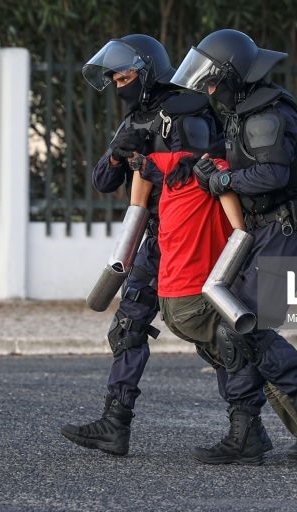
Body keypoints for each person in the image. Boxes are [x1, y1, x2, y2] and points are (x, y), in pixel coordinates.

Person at [155, 29, 297, 463]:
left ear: (232, 74)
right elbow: (233, 156)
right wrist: (201, 165)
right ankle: (248, 433)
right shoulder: (243, 109)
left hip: (286, 230)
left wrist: (221, 180)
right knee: (231, 325)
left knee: (250, 327)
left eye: (211, 80)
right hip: (262, 230)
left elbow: (271, 176)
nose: (207, 89)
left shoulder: (268, 112)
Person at [60, 34, 223, 456]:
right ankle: (115, 424)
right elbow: (102, 182)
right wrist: (117, 156)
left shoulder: (186, 110)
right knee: (129, 324)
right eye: (111, 74)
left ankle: (247, 423)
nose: (116, 79)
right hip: (155, 237)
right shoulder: (136, 116)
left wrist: (152, 167)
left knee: (207, 329)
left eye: (123, 71)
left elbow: (202, 177)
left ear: (148, 66)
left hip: (188, 235)